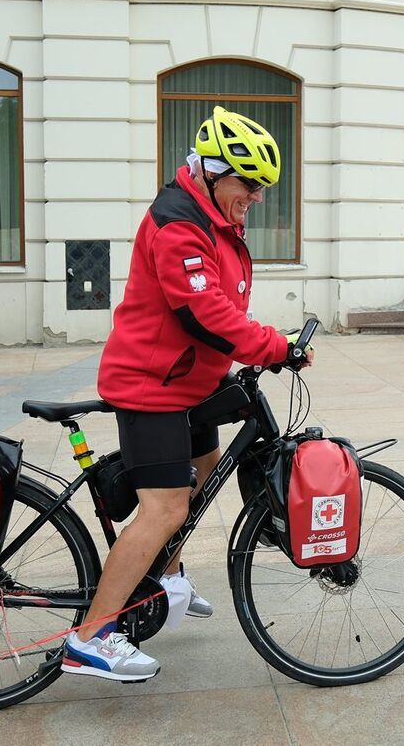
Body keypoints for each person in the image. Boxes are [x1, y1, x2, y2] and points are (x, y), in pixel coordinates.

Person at [64, 107, 312, 682]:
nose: (256, 197)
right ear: (211, 171)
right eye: (248, 184)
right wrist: (272, 346)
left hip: (189, 382)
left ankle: (168, 577)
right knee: (166, 505)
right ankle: (90, 638)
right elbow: (204, 314)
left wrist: (260, 341)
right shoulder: (179, 224)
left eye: (261, 187)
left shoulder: (212, 218)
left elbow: (224, 305)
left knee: (200, 477)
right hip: (150, 385)